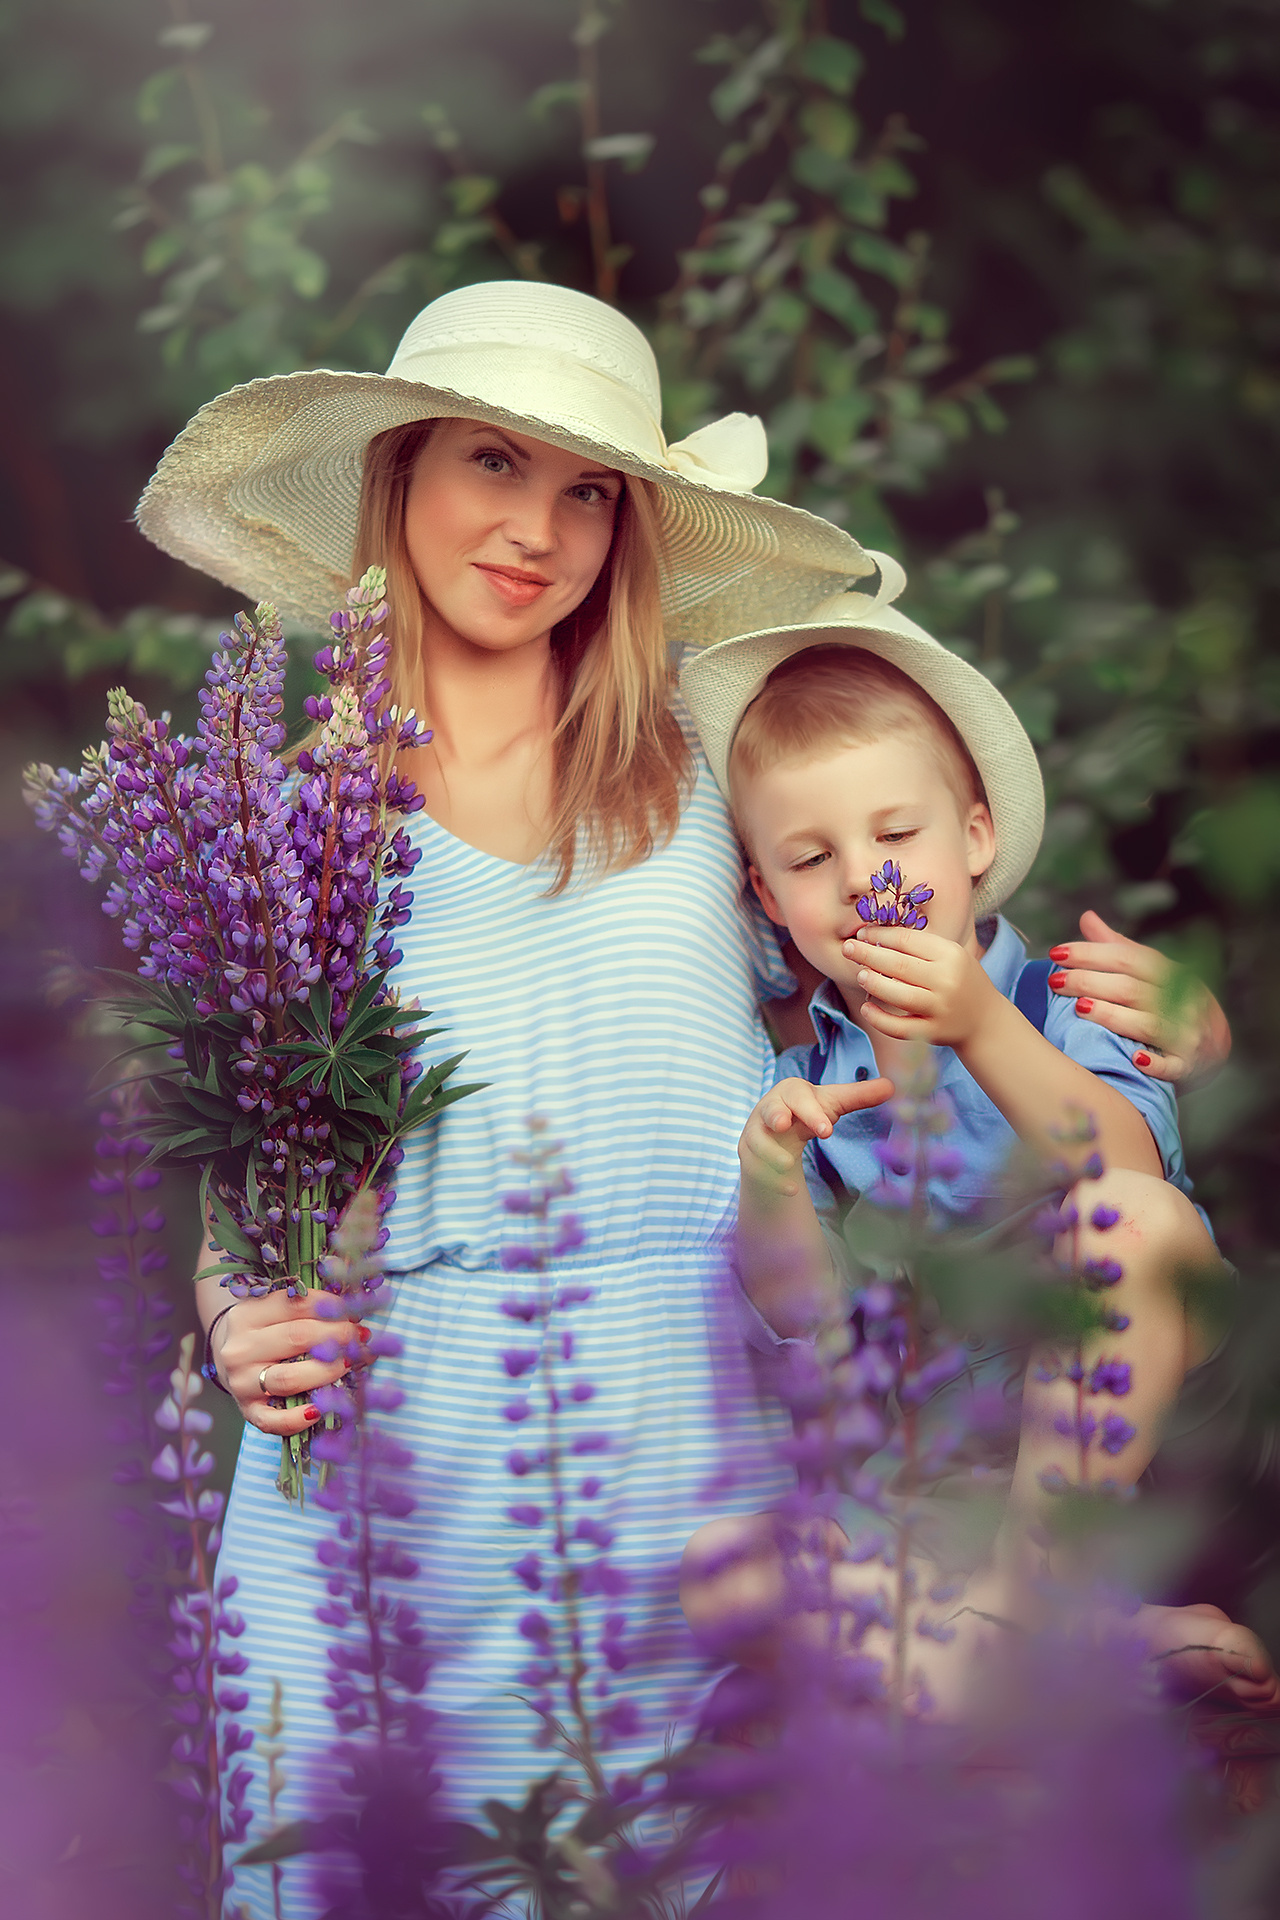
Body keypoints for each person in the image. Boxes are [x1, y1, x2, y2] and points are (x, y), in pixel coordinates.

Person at [135, 281, 1235, 1909]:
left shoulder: (702, 764)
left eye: (591, 490)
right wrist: (233, 1314)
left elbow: (934, 929)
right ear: (400, 478)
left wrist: (1165, 1016)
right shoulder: (286, 811)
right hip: (381, 1499)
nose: (540, 529)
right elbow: (251, 1165)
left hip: (689, 1462)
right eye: (493, 466)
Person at [676, 585, 1279, 1718]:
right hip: (931, 1491)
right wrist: (767, 1178)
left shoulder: (1067, 1000)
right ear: (765, 893)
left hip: (1130, 1440)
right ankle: (1064, 1651)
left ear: (974, 835)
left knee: (1131, 1226)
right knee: (723, 1572)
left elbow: (1125, 1175)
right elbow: (798, 1305)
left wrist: (977, 1025)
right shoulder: (803, 1075)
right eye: (809, 859)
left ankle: (1026, 1610)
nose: (863, 879)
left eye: (895, 835)